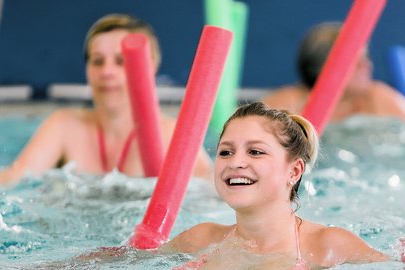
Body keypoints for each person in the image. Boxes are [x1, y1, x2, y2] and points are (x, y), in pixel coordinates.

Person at [162, 102, 388, 269]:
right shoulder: (199, 241)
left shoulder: (328, 247)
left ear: (294, 170)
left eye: (255, 152)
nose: (235, 162)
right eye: (226, 152)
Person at [0, 14, 212, 184]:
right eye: (97, 61)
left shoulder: (172, 134)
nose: (106, 72)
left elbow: (212, 190)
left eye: (120, 61)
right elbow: (15, 180)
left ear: (149, 66)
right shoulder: (63, 125)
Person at [263, 22, 405, 128]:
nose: (367, 65)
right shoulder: (288, 104)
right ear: (322, 66)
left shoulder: (378, 98)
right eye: (356, 61)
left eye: (366, 57)